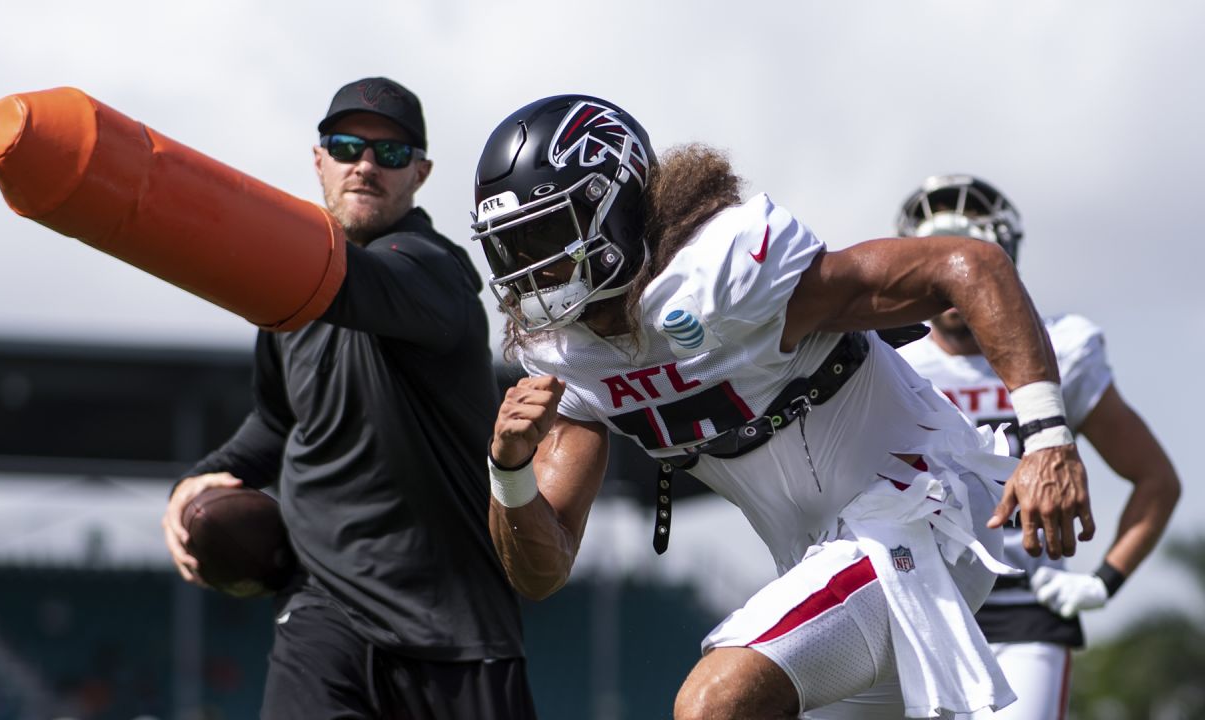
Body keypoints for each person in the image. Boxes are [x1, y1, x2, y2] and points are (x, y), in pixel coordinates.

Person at [470, 95, 1096, 719]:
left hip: (918, 515)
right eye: (510, 246)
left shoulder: (723, 278)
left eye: (545, 233)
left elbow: (971, 264)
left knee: (714, 703)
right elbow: (540, 574)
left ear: (615, 204)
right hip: (821, 564)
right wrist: (509, 472)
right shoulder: (566, 357)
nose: (531, 266)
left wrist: (1047, 438)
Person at [160, 77, 536, 719]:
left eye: (389, 154)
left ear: (420, 172)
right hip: (322, 612)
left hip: (456, 629)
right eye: (346, 146)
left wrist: (174, 207)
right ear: (319, 160)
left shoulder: (434, 274)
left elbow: (358, 282)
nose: (365, 165)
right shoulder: (287, 303)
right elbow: (281, 422)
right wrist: (194, 484)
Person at [894, 174, 1180, 719]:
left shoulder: (1062, 349)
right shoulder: (887, 360)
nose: (956, 271)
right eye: (941, 254)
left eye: (970, 253)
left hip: (1026, 616)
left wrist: (1104, 581)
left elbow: (1156, 480)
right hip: (920, 607)